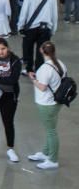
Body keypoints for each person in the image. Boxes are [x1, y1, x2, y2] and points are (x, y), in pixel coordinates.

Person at [27, 41, 66, 170]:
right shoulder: (60, 64)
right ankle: (46, 153)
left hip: (46, 104)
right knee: (51, 129)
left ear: (41, 51)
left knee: (51, 132)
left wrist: (33, 79)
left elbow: (42, 87)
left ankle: (53, 160)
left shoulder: (45, 68)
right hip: (56, 102)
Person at [17, 0, 57, 73]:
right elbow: (54, 15)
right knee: (42, 51)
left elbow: (24, 12)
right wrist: (53, 30)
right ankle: (39, 70)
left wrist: (20, 26)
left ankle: (29, 69)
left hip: (30, 28)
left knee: (28, 49)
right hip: (45, 28)